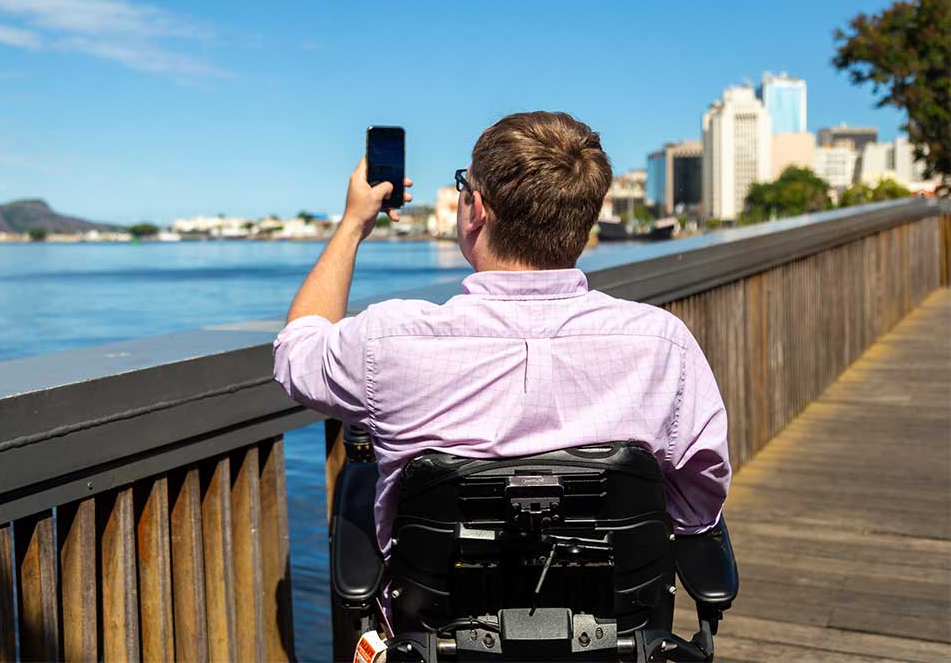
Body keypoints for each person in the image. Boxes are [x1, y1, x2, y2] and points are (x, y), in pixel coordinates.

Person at [272, 111, 730, 557]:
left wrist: (353, 225)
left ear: (477, 211)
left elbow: (297, 352)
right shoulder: (661, 344)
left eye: (464, 187)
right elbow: (700, 498)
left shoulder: (388, 341)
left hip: (437, 627)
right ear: (585, 218)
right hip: (617, 625)